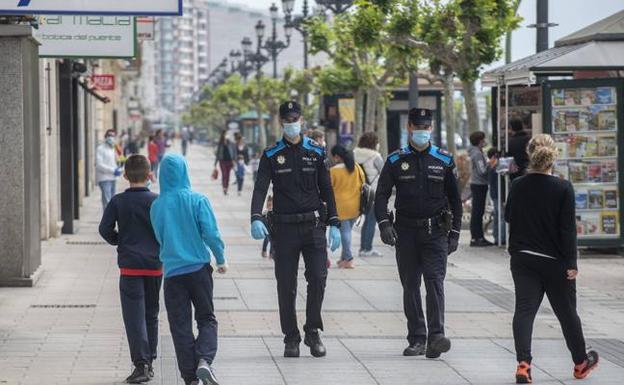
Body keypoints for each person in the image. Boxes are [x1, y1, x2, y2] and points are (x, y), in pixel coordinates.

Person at [505, 134, 599, 384]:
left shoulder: (518, 185)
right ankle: (580, 363)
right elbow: (567, 229)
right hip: (555, 262)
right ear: (552, 158)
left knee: (524, 311)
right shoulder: (562, 187)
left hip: (523, 258)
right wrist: (572, 263)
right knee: (567, 313)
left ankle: (523, 364)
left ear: (530, 154)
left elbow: (507, 217)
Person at [250, 101, 341, 359]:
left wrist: (334, 221)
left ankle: (313, 330)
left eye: (295, 119)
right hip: (285, 228)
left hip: (313, 227)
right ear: (281, 123)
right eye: (287, 120)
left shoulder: (316, 152)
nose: (292, 124)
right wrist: (256, 216)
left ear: (302, 120)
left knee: (318, 279)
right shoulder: (271, 155)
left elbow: (326, 188)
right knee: (286, 285)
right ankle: (291, 337)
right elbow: (260, 188)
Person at [375, 108, 462, 359]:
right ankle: (417, 338)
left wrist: (455, 233)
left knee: (435, 283)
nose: (422, 131)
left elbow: (455, 200)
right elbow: (381, 196)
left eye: (427, 127)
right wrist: (384, 224)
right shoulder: (395, 160)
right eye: (418, 126)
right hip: (406, 232)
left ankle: (436, 336)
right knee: (410, 285)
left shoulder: (444, 160)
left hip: (436, 232)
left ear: (431, 129)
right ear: (409, 128)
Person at [150, 154, 228, 385]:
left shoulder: (156, 206)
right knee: (206, 319)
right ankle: (204, 360)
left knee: (180, 327)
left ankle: (190, 377)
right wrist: (221, 259)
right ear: (185, 172)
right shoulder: (198, 200)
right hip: (198, 271)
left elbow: (159, 238)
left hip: (173, 275)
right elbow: (211, 234)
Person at [98, 155, 162, 384]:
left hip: (130, 268)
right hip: (155, 266)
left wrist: (119, 241)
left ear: (125, 176)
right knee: (151, 314)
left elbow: (104, 229)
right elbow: (165, 232)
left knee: (134, 317)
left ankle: (141, 364)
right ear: (150, 175)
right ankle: (150, 360)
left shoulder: (117, 202)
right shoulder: (157, 201)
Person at [330, 144, 365, 269]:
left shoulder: (334, 171)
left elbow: (328, 189)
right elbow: (363, 182)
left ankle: (349, 259)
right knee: (348, 232)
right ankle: (344, 258)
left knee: (345, 233)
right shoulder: (356, 167)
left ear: (337, 157)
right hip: (356, 205)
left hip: (341, 207)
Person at [354, 132, 384, 257]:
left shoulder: (354, 154)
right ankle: (367, 249)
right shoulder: (376, 156)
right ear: (374, 144)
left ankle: (361, 249)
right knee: (371, 221)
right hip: (372, 194)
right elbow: (384, 173)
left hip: (358, 193)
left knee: (363, 221)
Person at [468, 131, 493, 247]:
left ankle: (478, 236)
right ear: (479, 141)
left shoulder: (477, 152)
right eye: (483, 139)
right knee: (478, 212)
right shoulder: (477, 154)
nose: (485, 141)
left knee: (478, 211)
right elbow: (482, 171)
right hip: (479, 185)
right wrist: (490, 164)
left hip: (478, 184)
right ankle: (476, 237)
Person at [96, 129, 122, 209]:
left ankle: (112, 218)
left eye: (113, 136)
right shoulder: (100, 148)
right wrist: (112, 170)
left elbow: (117, 161)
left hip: (113, 177)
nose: (111, 138)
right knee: (107, 201)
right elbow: (99, 165)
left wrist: (118, 169)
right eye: (109, 135)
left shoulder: (113, 148)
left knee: (112, 200)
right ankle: (107, 219)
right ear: (106, 137)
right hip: (104, 178)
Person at [487, 148, 506, 245]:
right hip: (497, 194)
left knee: (497, 216)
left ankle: (497, 236)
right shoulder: (495, 167)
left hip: (494, 194)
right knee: (501, 216)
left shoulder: (490, 166)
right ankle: (501, 238)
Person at [214, 130, 236, 195]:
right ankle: (224, 187)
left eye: (227, 134)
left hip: (230, 161)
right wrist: (215, 163)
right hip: (222, 161)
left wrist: (234, 160)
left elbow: (234, 152)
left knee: (228, 175)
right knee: (224, 174)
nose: (227, 135)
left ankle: (226, 188)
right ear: (223, 135)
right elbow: (218, 153)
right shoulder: (220, 143)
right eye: (226, 134)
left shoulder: (231, 143)